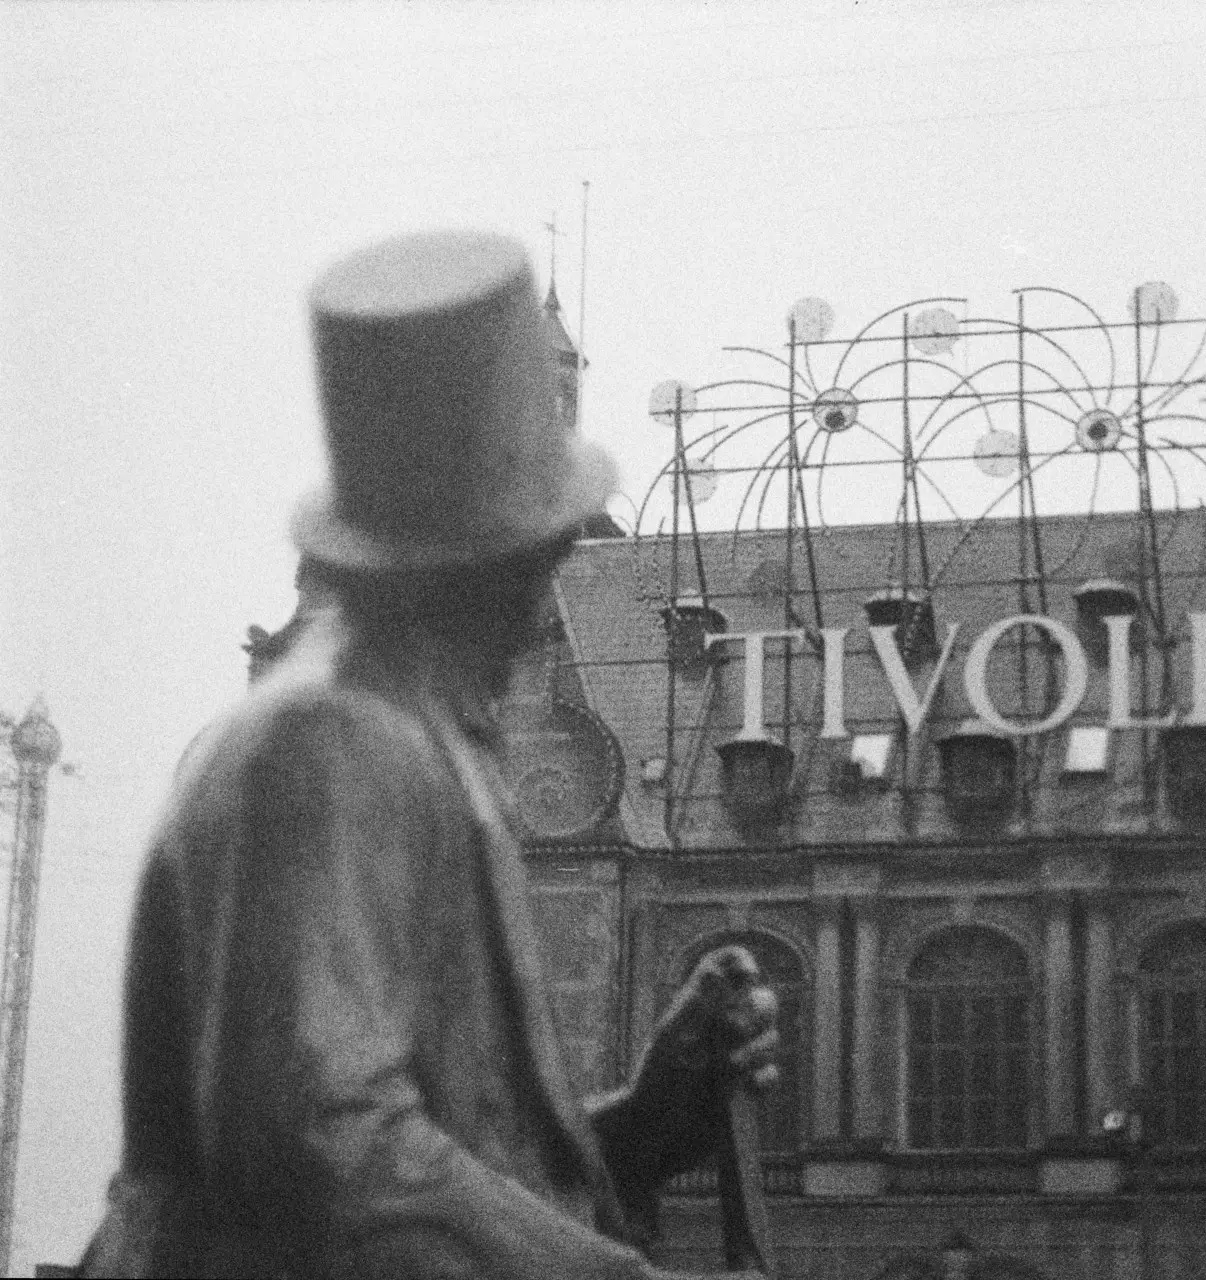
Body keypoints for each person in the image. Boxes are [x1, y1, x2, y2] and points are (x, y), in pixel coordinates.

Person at [81, 231, 776, 1279]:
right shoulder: (328, 743)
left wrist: (648, 1114)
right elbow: (325, 1157)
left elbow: (430, 1150)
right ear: (496, 559)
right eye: (545, 550)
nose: (548, 603)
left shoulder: (399, 726)